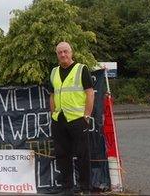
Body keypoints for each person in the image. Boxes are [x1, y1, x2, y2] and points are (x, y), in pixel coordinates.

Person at [49, 41, 94, 195]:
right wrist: (53, 113)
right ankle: (67, 188)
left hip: (77, 119)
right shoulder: (54, 71)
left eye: (65, 51)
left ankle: (85, 189)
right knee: (62, 155)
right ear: (57, 55)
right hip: (59, 120)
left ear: (71, 52)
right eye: (60, 52)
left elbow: (90, 92)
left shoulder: (81, 69)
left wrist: (86, 116)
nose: (63, 55)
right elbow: (52, 94)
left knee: (82, 155)